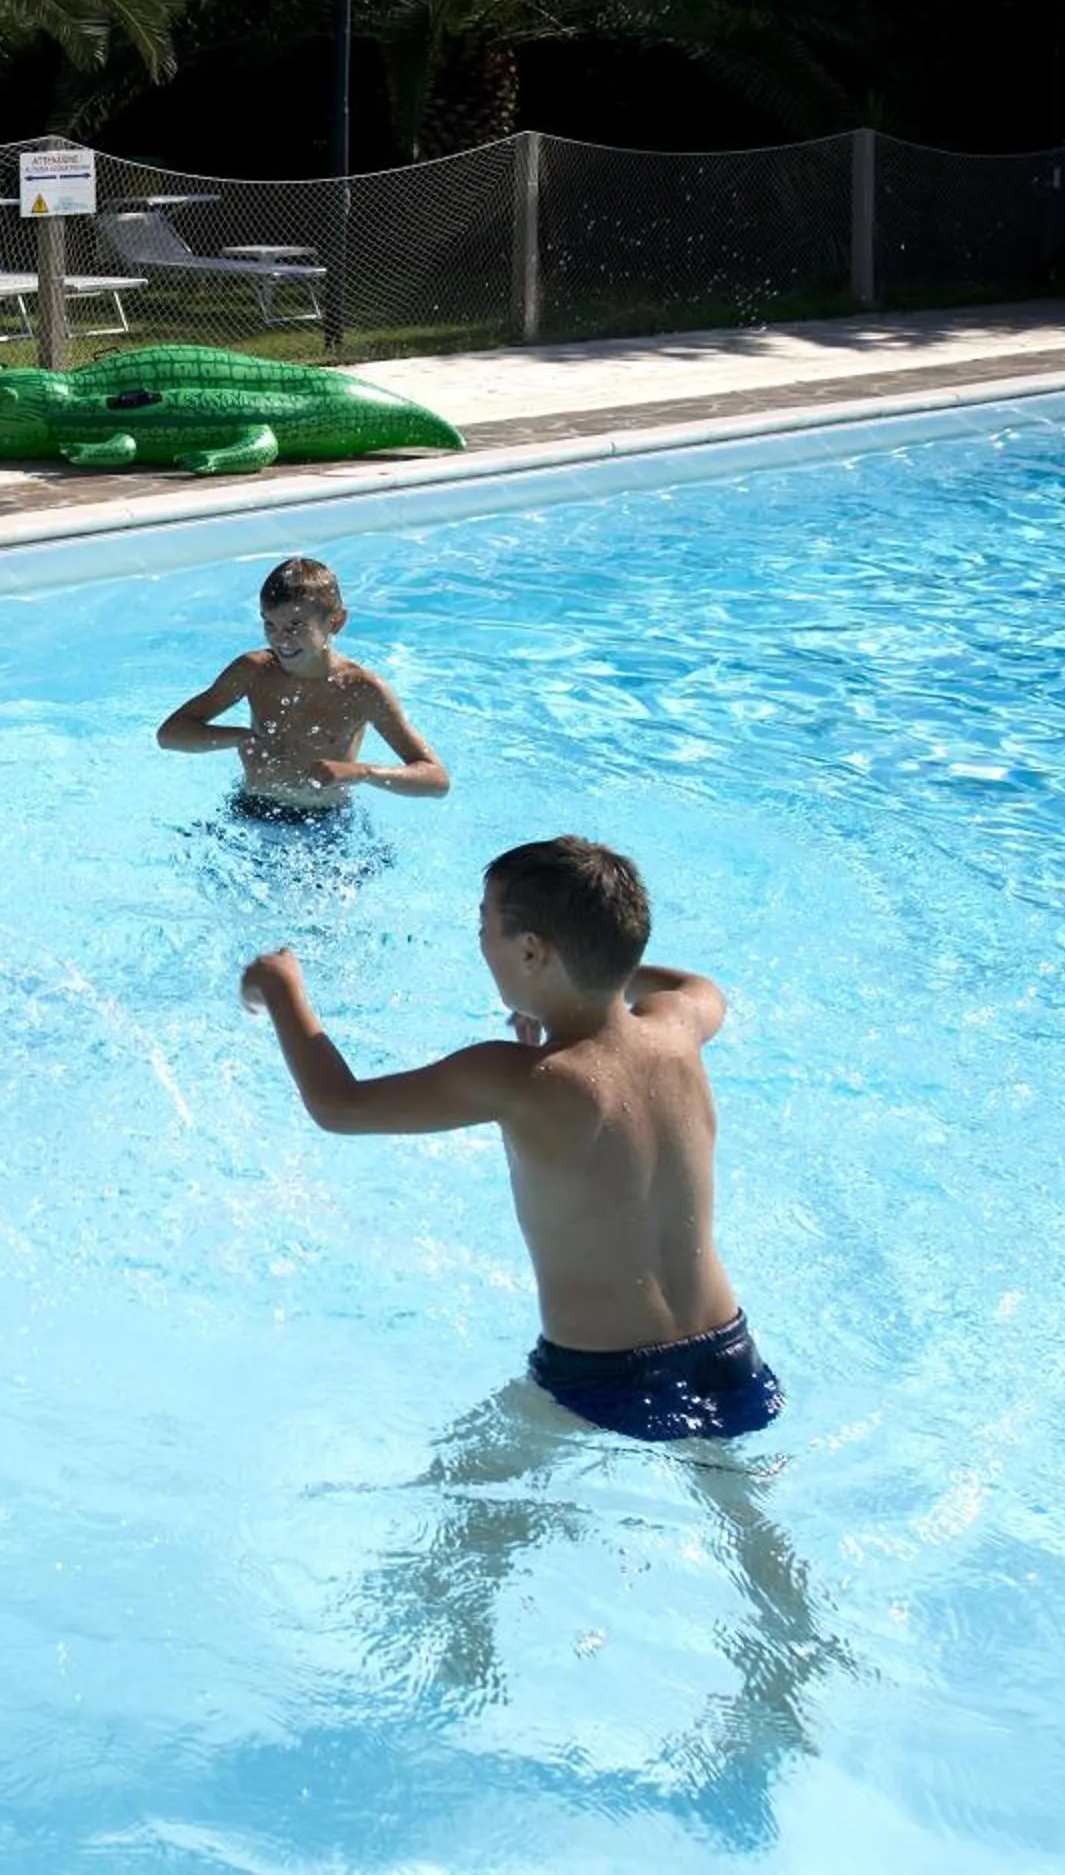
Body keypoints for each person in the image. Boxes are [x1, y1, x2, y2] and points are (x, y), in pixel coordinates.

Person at [237, 836, 782, 1444]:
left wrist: (280, 986)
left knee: (458, 1532)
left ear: (530, 951)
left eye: (484, 926)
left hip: (601, 1377)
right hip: (729, 1356)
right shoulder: (680, 1025)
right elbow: (701, 985)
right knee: (745, 1516)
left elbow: (339, 1105)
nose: (479, 943)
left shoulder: (517, 1077)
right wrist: (595, 973)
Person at [158, 555, 448, 824]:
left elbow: (436, 779)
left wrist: (363, 772)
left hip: (324, 823)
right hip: (251, 810)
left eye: (295, 626)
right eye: (270, 624)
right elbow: (170, 735)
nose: (280, 639)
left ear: (335, 622)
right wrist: (242, 737)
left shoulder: (362, 689)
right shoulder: (253, 672)